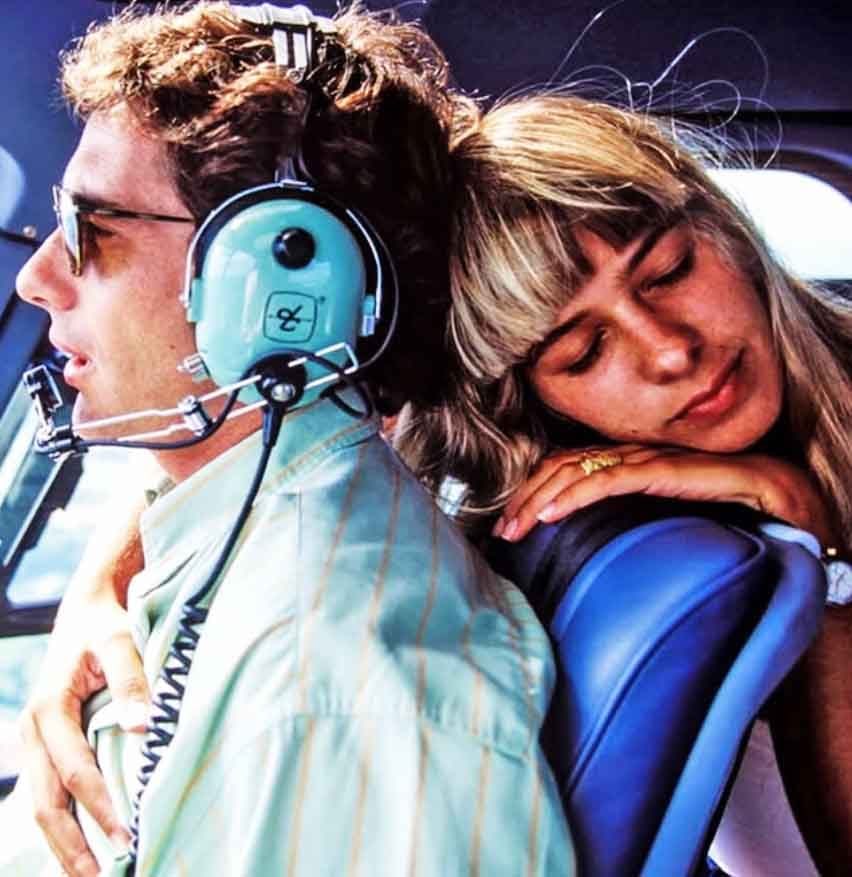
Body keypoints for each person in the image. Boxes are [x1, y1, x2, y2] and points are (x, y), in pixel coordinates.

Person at [3, 5, 572, 876]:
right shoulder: (241, 519)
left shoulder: (326, 687)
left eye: (95, 228)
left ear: (285, 284)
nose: (37, 277)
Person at [396, 94, 852, 874]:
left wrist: (815, 542)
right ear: (535, 402)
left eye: (671, 270)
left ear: (725, 230)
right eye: (584, 351)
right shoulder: (623, 564)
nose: (671, 350)